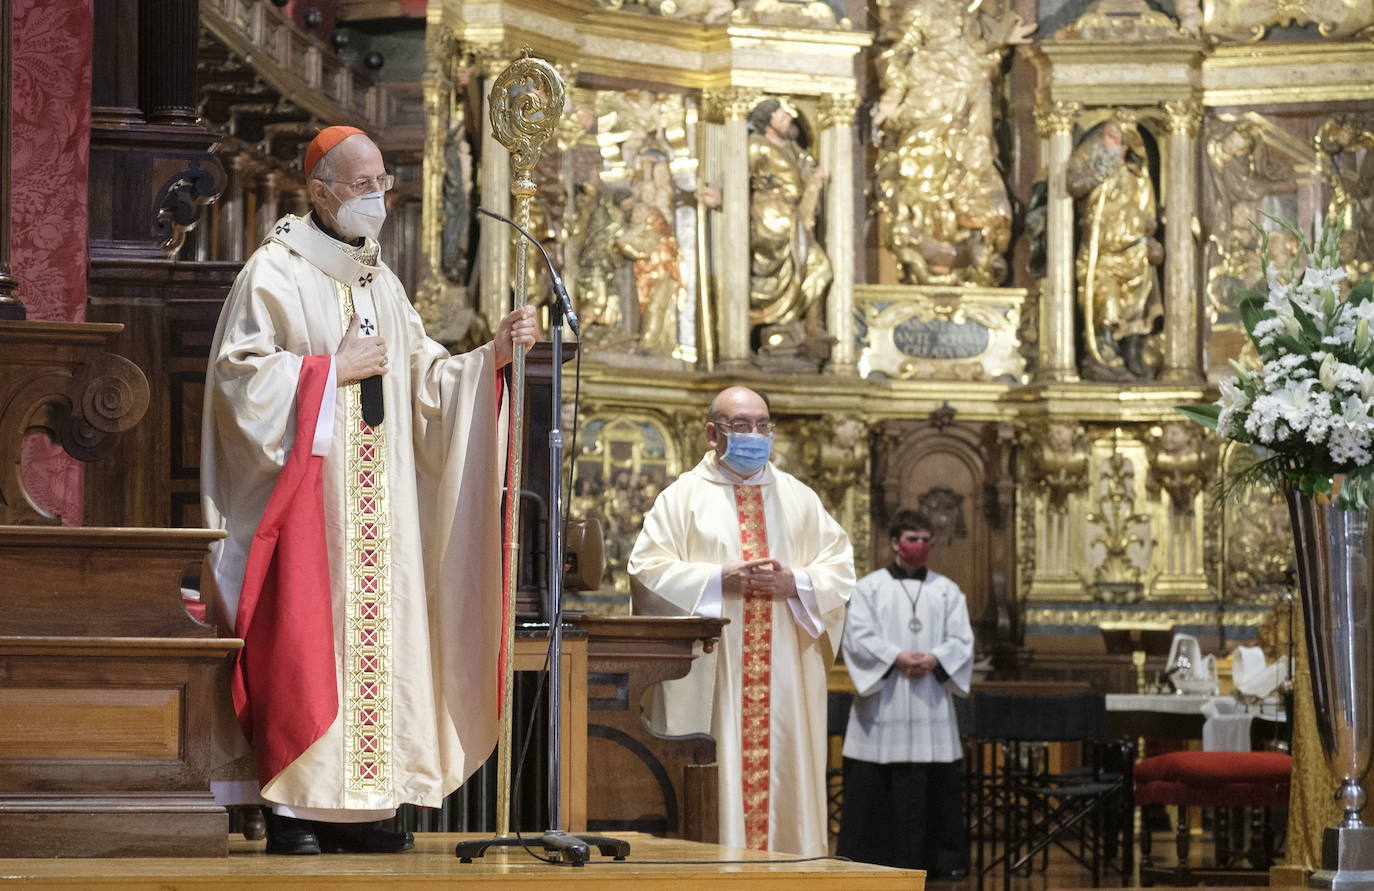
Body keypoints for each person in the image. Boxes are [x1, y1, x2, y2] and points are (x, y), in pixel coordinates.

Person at [201, 125, 538, 855]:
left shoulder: (380, 282)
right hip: (310, 506)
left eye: (383, 181)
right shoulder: (274, 273)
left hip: (383, 510)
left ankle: (368, 806)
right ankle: (296, 808)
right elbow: (239, 386)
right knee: (309, 643)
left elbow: (425, 383)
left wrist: (492, 356)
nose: (378, 197)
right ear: (318, 191)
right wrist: (326, 369)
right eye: (362, 185)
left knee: (382, 645)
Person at [627, 386, 855, 856]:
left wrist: (797, 584)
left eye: (762, 426)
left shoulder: (799, 499)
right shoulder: (682, 499)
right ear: (713, 433)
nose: (755, 435)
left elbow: (840, 569)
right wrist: (717, 580)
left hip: (784, 679)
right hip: (712, 673)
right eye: (741, 426)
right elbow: (646, 573)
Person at [837, 509, 974, 876]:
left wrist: (934, 658)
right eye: (913, 539)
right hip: (885, 702)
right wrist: (896, 656)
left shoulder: (946, 591)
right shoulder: (869, 588)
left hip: (930, 700)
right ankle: (872, 862)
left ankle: (940, 865)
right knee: (876, 790)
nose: (921, 546)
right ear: (895, 542)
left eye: (927, 540)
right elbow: (857, 637)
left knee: (935, 790)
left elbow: (962, 640)